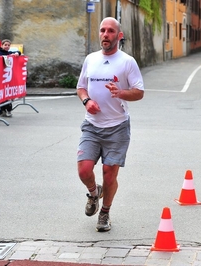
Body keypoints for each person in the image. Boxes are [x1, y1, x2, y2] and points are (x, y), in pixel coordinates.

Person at [76, 17, 144, 232]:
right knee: (84, 170)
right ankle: (94, 193)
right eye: (103, 30)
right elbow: (81, 88)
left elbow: (139, 91)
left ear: (119, 35)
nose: (106, 34)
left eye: (111, 31)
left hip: (117, 126)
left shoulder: (127, 62)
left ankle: (105, 213)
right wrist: (87, 101)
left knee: (109, 173)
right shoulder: (90, 59)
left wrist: (121, 92)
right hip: (92, 125)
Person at [0, 39, 21, 117]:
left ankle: (8, 109)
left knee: (8, 94)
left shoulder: (9, 53)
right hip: (2, 77)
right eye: (5, 45)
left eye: (8, 45)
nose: (7, 46)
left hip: (8, 77)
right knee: (3, 95)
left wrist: (17, 53)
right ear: (1, 45)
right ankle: (2, 110)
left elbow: (19, 53)